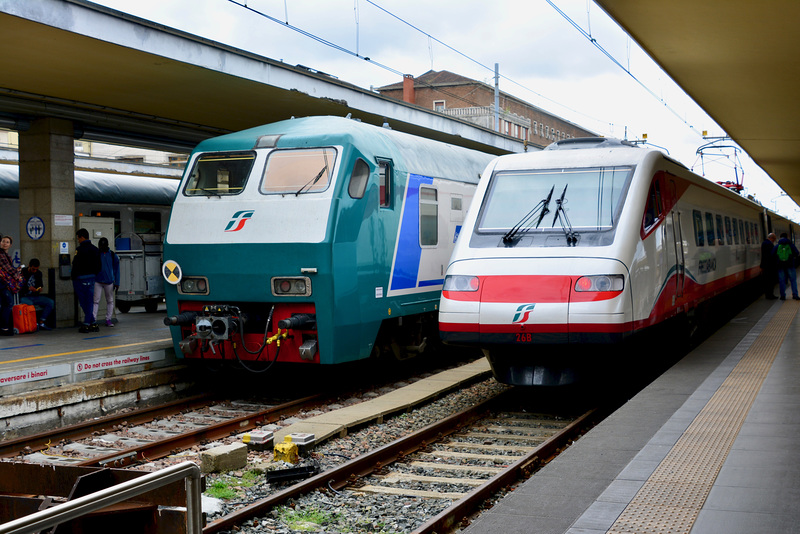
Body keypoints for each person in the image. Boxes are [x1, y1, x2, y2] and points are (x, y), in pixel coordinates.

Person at [72, 228, 101, 333]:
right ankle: (93, 323)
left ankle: (86, 324)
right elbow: (99, 265)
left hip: (80, 279)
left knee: (84, 302)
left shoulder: (79, 250)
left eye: (78, 238)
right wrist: (94, 274)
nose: (78, 240)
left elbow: (75, 265)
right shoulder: (95, 249)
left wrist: (73, 277)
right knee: (89, 301)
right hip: (92, 278)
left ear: (82, 237)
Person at [20, 258, 55, 331]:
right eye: (33, 269)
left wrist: (38, 288)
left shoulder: (38, 273)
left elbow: (40, 285)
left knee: (50, 302)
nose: (34, 271)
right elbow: (19, 286)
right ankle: (31, 323)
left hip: (34, 295)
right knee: (30, 304)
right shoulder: (23, 272)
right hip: (24, 296)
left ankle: (42, 322)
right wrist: (28, 288)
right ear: (29, 266)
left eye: (36, 269)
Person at [93, 237, 120, 328]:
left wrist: (117, 282)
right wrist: (117, 282)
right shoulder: (100, 254)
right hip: (102, 281)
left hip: (106, 281)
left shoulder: (112, 255)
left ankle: (105, 319)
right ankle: (97, 319)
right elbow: (116, 270)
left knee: (106, 301)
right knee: (101, 301)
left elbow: (117, 270)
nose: (101, 247)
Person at [0, 235, 23, 336]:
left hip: (3, 283)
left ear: (10, 245)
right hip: (2, 284)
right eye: (3, 241)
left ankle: (4, 326)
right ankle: (4, 327)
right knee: (8, 303)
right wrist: (17, 275)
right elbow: (8, 269)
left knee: (6, 304)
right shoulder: (1, 254)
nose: (5, 243)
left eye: (7, 242)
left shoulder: (6, 255)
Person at [772, 232, 800, 301]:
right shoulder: (791, 245)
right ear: (787, 237)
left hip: (780, 266)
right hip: (790, 265)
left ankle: (783, 296)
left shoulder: (777, 245)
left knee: (782, 281)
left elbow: (772, 254)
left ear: (780, 237)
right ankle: (795, 295)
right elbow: (797, 253)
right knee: (793, 280)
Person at [760, 232, 778, 299]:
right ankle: (770, 295)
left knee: (767, 281)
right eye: (774, 239)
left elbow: (763, 256)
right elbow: (771, 255)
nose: (774, 240)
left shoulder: (764, 243)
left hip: (765, 265)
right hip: (770, 266)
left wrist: (762, 266)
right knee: (770, 281)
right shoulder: (769, 244)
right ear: (771, 238)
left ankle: (768, 295)